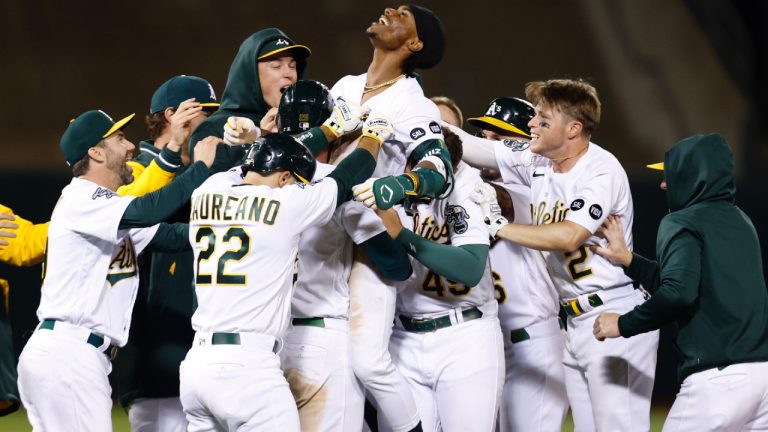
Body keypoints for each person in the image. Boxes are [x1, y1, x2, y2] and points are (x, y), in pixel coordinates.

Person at [465, 78, 659, 431]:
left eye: (542, 118)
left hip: (614, 310)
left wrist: (498, 227)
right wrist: (415, 118)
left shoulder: (600, 168)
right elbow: (476, 149)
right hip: (575, 320)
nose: (531, 124)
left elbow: (570, 236)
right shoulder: (538, 162)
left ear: (573, 129)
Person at [179, 114, 393, 431]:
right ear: (283, 178)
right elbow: (346, 177)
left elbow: (252, 165)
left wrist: (257, 140)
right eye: (294, 179)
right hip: (249, 367)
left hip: (196, 368)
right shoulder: (285, 204)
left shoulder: (208, 189)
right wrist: (373, 137)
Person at [16, 108, 221, 431]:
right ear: (95, 153)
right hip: (69, 354)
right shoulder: (81, 198)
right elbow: (148, 209)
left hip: (71, 355)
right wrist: (199, 169)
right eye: (119, 139)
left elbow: (172, 236)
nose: (129, 147)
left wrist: (236, 224)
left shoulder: (108, 210)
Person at [592, 133, 768, 431]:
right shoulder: (741, 221)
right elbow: (692, 283)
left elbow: (678, 292)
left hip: (717, 380)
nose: (663, 183)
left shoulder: (681, 220)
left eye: (670, 175)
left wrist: (623, 324)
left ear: (693, 175)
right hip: (763, 378)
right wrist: (631, 261)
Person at [276, 80, 412, 432]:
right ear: (334, 133)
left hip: (267, 347)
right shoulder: (335, 185)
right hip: (323, 343)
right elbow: (397, 266)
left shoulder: (248, 183)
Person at [338, 5, 448, 431]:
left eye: (402, 14)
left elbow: (439, 171)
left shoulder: (413, 104)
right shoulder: (345, 86)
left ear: (414, 44)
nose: (388, 10)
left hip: (370, 239)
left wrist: (396, 187)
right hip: (324, 234)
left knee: (368, 363)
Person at [366, 129, 504, 431]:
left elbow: (470, 268)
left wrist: (401, 235)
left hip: (465, 335)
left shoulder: (465, 185)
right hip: (403, 337)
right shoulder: (389, 179)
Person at [114, 75, 220, 432]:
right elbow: (138, 212)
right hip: (151, 347)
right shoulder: (133, 167)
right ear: (173, 115)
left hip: (193, 346)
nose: (211, 122)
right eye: (203, 112)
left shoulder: (200, 167)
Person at [467, 96, 568, 432]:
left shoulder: (531, 189)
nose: (487, 143)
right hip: (490, 342)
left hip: (533, 342)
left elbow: (499, 199)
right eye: (484, 134)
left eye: (498, 136)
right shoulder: (472, 190)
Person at [189, 27, 312, 172]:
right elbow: (217, 191)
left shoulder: (304, 124)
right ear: (250, 75)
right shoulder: (213, 129)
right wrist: (262, 139)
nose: (289, 73)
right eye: (276, 66)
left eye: (292, 66)